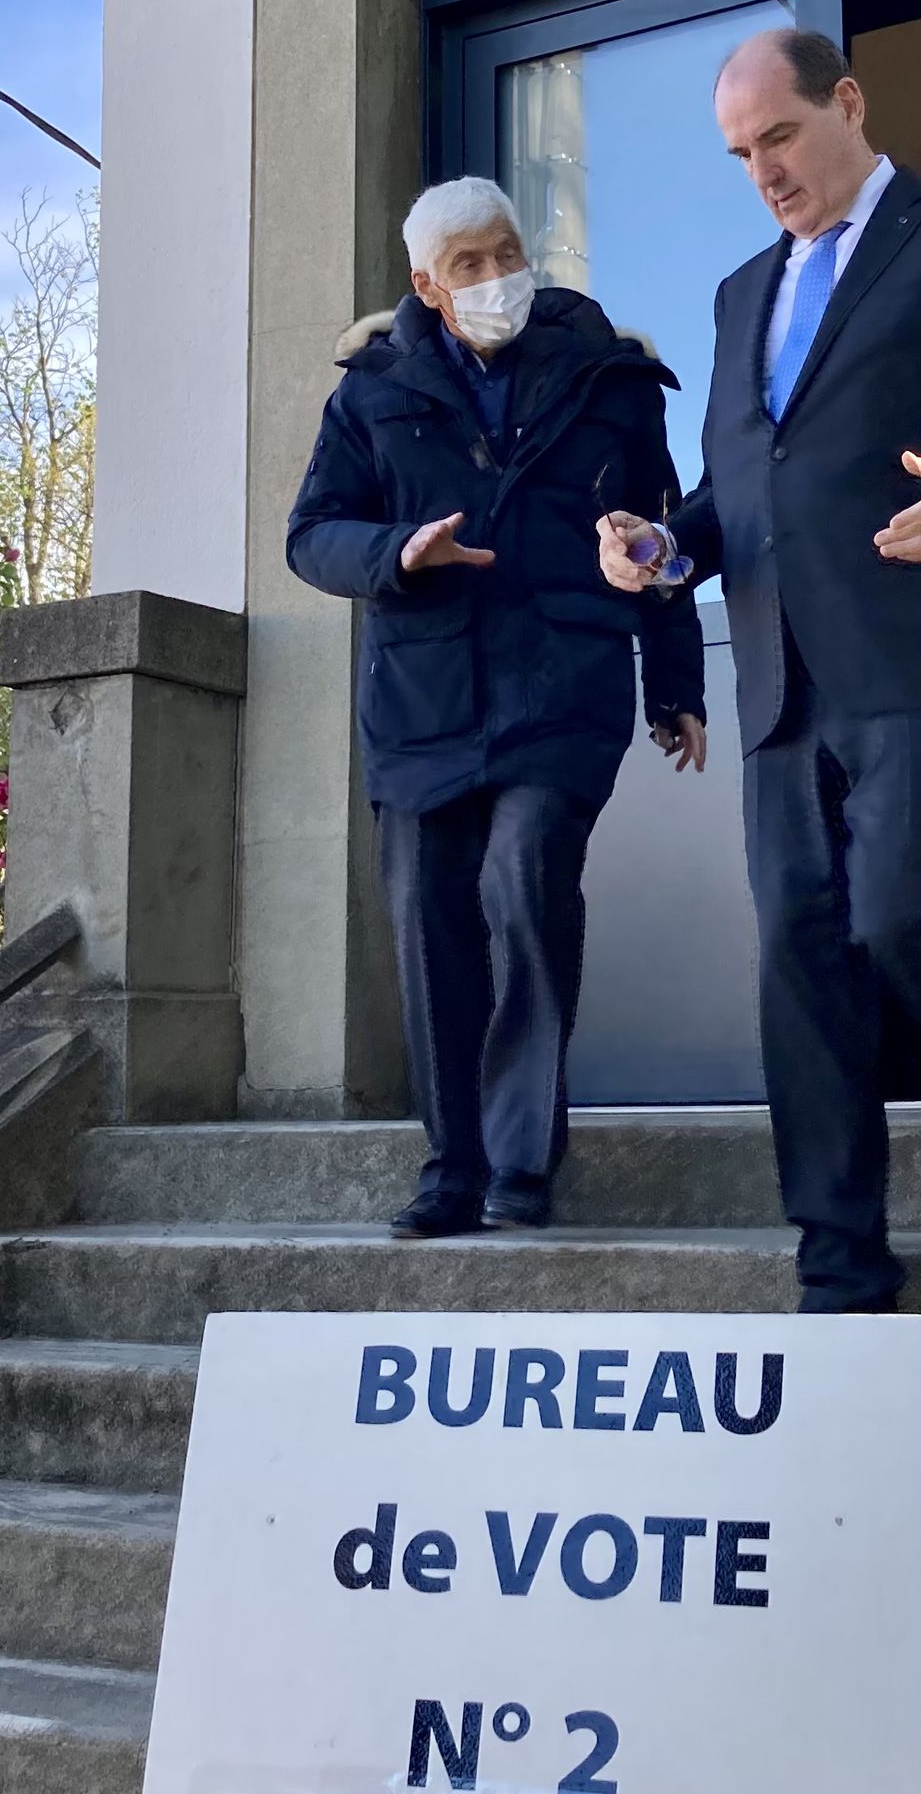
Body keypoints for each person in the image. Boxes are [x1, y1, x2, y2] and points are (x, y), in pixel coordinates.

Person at [597, 28, 921, 1314]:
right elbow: (741, 486)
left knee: (906, 916)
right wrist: (668, 546)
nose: (763, 172)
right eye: (739, 153)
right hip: (784, 681)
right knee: (803, 962)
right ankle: (837, 1248)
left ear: (850, 105)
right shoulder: (736, 296)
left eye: (780, 136)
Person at [289, 176, 708, 1241]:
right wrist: (398, 553)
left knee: (524, 881)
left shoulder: (613, 376)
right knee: (430, 920)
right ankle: (453, 1165)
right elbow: (313, 534)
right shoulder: (370, 391)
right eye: (467, 265)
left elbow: (657, 536)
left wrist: (675, 682)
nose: (494, 279)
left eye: (505, 252)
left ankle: (522, 1160)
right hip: (422, 697)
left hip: (561, 682)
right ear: (427, 285)